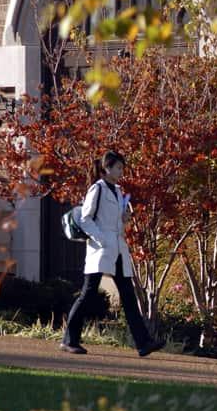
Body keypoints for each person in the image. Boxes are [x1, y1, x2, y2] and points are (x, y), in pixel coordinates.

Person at [60, 151, 165, 357]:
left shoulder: (117, 191)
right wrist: (102, 239)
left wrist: (124, 219)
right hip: (101, 251)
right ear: (106, 168)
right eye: (118, 168)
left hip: (117, 250)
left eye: (122, 168)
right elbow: (86, 219)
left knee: (128, 296)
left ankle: (143, 343)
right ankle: (69, 340)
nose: (121, 172)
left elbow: (114, 224)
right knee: (88, 294)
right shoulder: (97, 189)